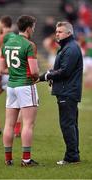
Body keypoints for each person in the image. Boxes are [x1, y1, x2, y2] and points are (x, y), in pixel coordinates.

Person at [38, 21, 83, 165]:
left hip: (67, 92)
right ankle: (74, 154)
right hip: (67, 90)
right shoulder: (67, 47)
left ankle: (71, 157)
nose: (57, 34)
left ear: (69, 33)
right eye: (56, 32)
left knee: (67, 125)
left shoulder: (71, 48)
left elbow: (65, 71)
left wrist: (46, 76)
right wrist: (49, 75)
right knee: (71, 124)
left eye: (60, 32)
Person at [0, 15, 39, 166]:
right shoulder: (29, 45)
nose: (33, 30)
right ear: (29, 28)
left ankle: (8, 159)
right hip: (25, 85)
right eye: (33, 27)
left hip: (11, 86)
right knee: (28, 124)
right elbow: (34, 72)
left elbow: (3, 69)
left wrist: (16, 72)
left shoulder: (7, 43)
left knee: (9, 124)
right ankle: (26, 159)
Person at [0, 15, 21, 136]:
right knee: (19, 104)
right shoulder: (16, 37)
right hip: (15, 74)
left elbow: (1, 56)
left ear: (2, 24)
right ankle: (17, 130)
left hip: (4, 73)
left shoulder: (2, 37)